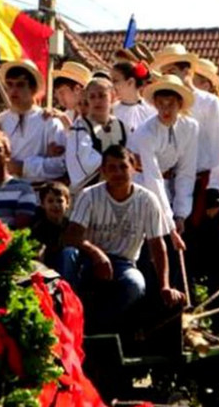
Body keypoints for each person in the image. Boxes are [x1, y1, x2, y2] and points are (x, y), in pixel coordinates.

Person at [152, 44, 219, 333]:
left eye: (174, 71)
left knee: (214, 258)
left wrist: (215, 190)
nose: (170, 78)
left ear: (188, 71)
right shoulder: (166, 108)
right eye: (165, 74)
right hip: (180, 185)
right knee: (182, 255)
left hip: (210, 183)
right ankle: (186, 324)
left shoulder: (209, 104)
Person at [64, 145, 185, 323]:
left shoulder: (147, 200)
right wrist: (96, 254)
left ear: (134, 168)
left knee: (135, 284)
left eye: (123, 167)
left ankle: (97, 326)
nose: (118, 173)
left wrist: (165, 286)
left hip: (124, 263)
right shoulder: (88, 195)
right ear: (103, 171)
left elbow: (157, 246)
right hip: (87, 259)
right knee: (67, 255)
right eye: (112, 168)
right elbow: (72, 237)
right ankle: (66, 315)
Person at [128, 74, 198, 248]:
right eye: (160, 104)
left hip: (168, 187)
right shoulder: (146, 133)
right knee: (150, 242)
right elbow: (153, 179)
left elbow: (186, 171)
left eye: (171, 104)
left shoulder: (190, 128)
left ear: (180, 104)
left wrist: (181, 213)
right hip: (142, 185)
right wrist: (170, 223)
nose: (165, 110)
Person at [0, 59, 66, 184]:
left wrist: (23, 167)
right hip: (0, 195)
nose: (13, 91)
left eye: (20, 85)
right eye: (10, 84)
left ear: (33, 88)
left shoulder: (49, 123)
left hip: (36, 196)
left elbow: (61, 165)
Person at [66, 78, 129, 194]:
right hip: (88, 194)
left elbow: (132, 159)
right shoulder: (80, 127)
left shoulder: (121, 126)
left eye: (102, 96)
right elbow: (81, 164)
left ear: (113, 97)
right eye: (92, 97)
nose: (97, 101)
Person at [31, 181, 78, 281]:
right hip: (47, 267)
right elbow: (39, 254)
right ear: (43, 204)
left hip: (68, 264)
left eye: (60, 201)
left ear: (68, 203)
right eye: (50, 201)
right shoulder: (40, 227)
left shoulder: (70, 225)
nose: (55, 205)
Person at [111, 61, 157, 133]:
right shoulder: (112, 110)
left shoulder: (152, 109)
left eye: (115, 81)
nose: (112, 85)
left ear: (130, 82)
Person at [51, 61, 92, 128]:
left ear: (77, 89)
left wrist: (67, 124)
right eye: (57, 94)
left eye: (62, 93)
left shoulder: (95, 115)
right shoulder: (68, 114)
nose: (59, 99)